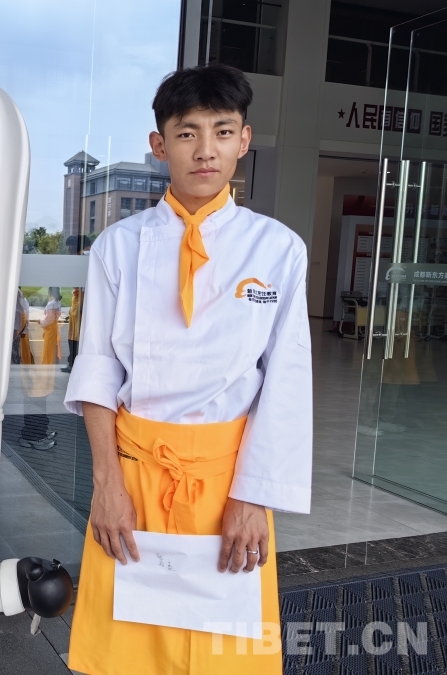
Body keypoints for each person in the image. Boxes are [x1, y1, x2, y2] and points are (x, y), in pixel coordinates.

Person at [64, 64, 312, 674]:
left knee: (222, 655)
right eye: (186, 133)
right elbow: (97, 369)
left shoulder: (278, 249)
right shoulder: (117, 246)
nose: (206, 150)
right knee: (127, 653)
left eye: (222, 132)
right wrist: (107, 487)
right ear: (159, 144)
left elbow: (285, 381)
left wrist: (252, 499)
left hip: (228, 487)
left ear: (243, 140)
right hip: (134, 479)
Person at [19, 287, 62, 450]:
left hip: (34, 354)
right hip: (31, 355)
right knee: (35, 394)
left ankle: (38, 432)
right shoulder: (19, 300)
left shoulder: (20, 299)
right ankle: (33, 436)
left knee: (38, 394)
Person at [62, 236, 90, 373]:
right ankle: (72, 361)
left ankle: (73, 361)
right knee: (76, 332)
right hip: (79, 299)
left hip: (81, 299)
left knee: (75, 333)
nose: (69, 250)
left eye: (69, 247)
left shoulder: (84, 257)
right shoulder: (89, 256)